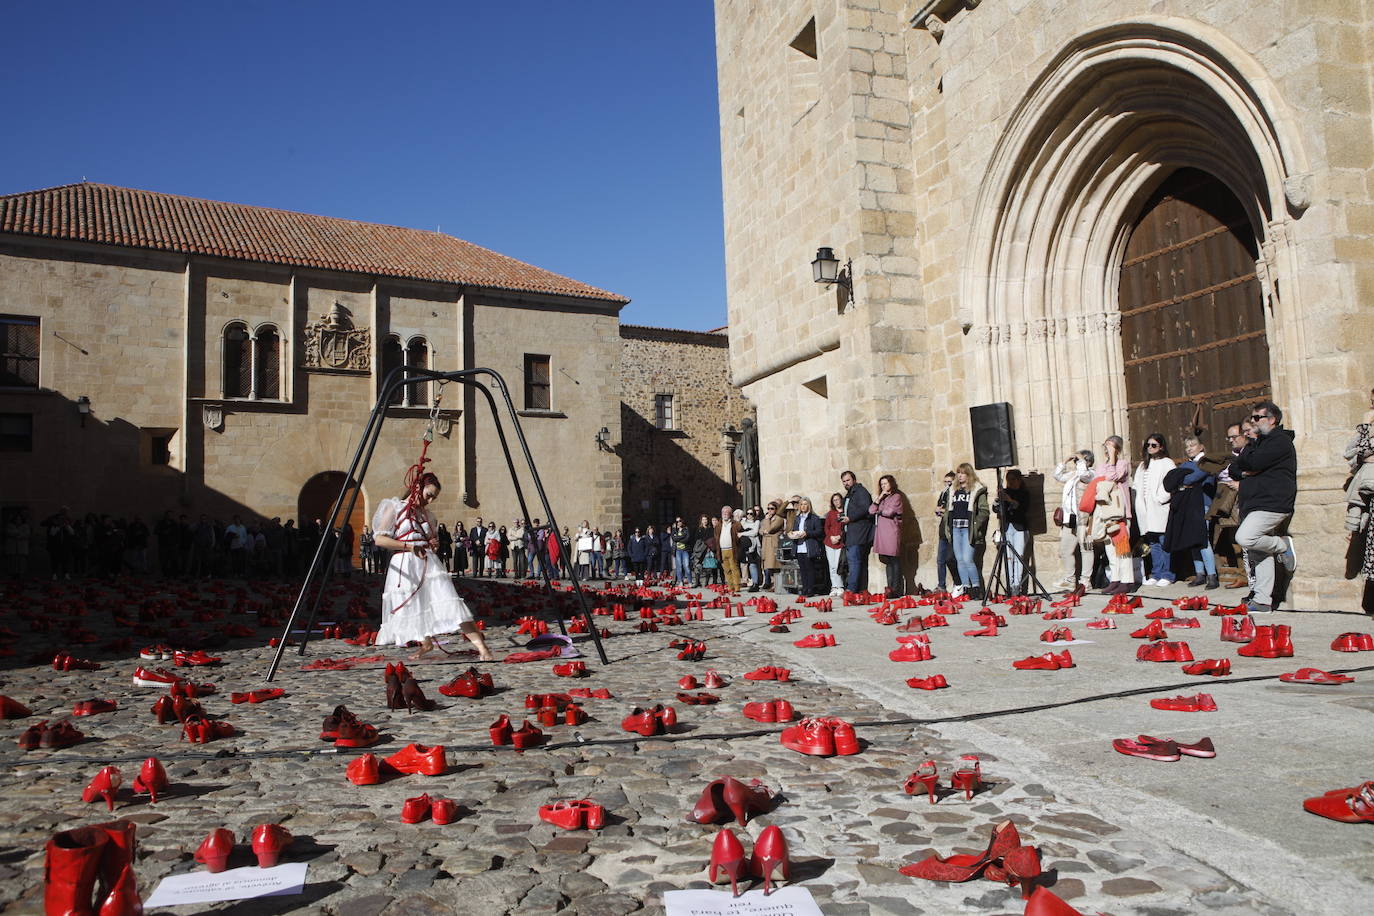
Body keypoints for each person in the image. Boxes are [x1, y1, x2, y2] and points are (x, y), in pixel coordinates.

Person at [372, 472, 494, 662]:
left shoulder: (428, 515)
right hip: (405, 563)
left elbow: (429, 539)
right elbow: (380, 539)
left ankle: (482, 647)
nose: (430, 500)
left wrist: (433, 544)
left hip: (428, 563)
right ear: (417, 488)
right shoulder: (396, 508)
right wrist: (409, 546)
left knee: (450, 601)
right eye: (428, 494)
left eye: (434, 497)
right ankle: (426, 643)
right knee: (412, 606)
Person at [1231, 401, 1298, 613]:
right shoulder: (1256, 444)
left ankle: (1282, 546)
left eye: (1257, 418)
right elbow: (1234, 467)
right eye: (1252, 418)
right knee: (1258, 553)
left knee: (1245, 538)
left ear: (1272, 420)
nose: (1253, 422)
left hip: (1273, 503)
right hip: (1255, 502)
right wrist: (1244, 471)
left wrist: (1248, 466)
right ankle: (1262, 600)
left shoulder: (1280, 441)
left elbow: (1254, 463)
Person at [1168, 436, 1219, 589]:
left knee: (1202, 540)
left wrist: (1182, 478)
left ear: (1201, 446)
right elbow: (1172, 480)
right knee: (1193, 541)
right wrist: (1181, 478)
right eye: (1187, 446)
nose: (1189, 448)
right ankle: (1200, 574)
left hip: (1203, 504)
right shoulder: (1186, 464)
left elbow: (1192, 478)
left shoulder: (1206, 462)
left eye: (1193, 445)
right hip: (1189, 505)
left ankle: (1212, 576)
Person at [1092, 435, 1136, 594]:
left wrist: (1112, 458)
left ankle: (1127, 581)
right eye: (1106, 446)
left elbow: (1112, 478)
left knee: (1122, 547)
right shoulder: (1100, 467)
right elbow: (1098, 484)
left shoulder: (1122, 464)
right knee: (1110, 549)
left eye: (1111, 446)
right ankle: (1115, 579)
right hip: (1105, 513)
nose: (1107, 449)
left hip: (1119, 513)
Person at [940, 464, 989, 600]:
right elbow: (949, 510)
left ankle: (976, 589)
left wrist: (976, 525)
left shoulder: (976, 489)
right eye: (958, 473)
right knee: (960, 560)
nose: (960, 476)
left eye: (963, 473)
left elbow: (984, 511)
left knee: (968, 559)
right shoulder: (953, 490)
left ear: (969, 474)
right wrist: (947, 524)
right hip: (956, 528)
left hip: (968, 529)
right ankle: (966, 588)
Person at [1134, 434, 1177, 586]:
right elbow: (1137, 485)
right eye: (1148, 445)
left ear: (1161, 447)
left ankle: (1168, 574)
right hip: (1146, 509)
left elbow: (1172, 483)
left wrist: (1161, 497)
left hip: (1160, 507)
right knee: (1153, 543)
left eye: (1154, 445)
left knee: (1164, 541)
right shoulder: (1143, 465)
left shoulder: (1167, 463)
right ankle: (1156, 573)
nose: (1150, 448)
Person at [1051, 452, 1094, 590]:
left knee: (1086, 548)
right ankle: (1070, 579)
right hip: (1070, 519)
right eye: (1076, 461)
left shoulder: (1091, 474)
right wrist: (1065, 460)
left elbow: (1084, 475)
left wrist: (1081, 459)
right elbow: (1057, 475)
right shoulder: (1073, 475)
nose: (1077, 463)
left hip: (1084, 518)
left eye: (1079, 460)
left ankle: (1086, 581)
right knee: (1065, 550)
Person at [1344, 388, 1374, 537]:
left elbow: (1362, 451)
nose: (1371, 408)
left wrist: (1365, 425)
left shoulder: (1367, 428)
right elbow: (1350, 453)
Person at [995, 469, 1030, 595]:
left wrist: (1009, 500)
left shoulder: (1024, 493)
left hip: (1019, 527)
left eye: (1013, 479)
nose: (1010, 482)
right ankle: (1009, 584)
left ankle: (1017, 585)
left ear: (1019, 480)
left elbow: (1022, 508)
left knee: (1018, 556)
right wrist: (998, 499)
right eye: (1008, 480)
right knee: (1008, 557)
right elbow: (997, 509)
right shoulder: (1005, 492)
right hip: (1007, 526)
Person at [839, 470, 874, 593]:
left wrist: (851, 518)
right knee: (854, 562)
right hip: (850, 533)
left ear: (854, 479)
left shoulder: (861, 492)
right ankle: (859, 590)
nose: (846, 483)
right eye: (844, 481)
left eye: (848, 480)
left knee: (855, 562)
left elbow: (866, 508)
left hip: (859, 533)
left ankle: (851, 590)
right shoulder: (849, 494)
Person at [870, 474, 905, 597]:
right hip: (882, 532)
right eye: (882, 484)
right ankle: (890, 588)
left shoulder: (897, 497)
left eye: (886, 483)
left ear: (891, 483)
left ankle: (896, 589)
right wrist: (879, 498)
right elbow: (871, 510)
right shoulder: (883, 498)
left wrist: (879, 511)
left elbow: (890, 512)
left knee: (894, 559)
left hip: (891, 531)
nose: (883, 486)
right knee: (888, 560)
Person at [788, 497, 824, 596]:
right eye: (801, 504)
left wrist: (807, 533)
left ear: (809, 505)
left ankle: (810, 589)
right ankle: (805, 588)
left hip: (809, 546)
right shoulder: (797, 518)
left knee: (810, 569)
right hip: (799, 546)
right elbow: (795, 530)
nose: (803, 506)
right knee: (802, 570)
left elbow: (819, 532)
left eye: (805, 504)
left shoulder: (814, 518)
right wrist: (792, 533)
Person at [933, 471, 958, 593]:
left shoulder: (955, 493)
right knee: (940, 559)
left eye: (950, 482)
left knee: (951, 559)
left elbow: (952, 510)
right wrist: (938, 510)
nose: (947, 484)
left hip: (952, 530)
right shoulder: (944, 493)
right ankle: (941, 585)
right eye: (945, 482)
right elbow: (940, 507)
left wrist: (944, 511)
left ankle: (957, 583)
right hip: (943, 530)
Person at [713, 508, 743, 593]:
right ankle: (730, 587)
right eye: (723, 512)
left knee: (734, 568)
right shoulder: (718, 525)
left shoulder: (736, 524)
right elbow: (716, 537)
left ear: (730, 514)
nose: (725, 514)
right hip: (722, 550)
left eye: (727, 512)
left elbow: (740, 533)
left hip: (732, 549)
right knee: (726, 570)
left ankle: (737, 586)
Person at [823, 493, 845, 595]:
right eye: (834, 500)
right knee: (831, 565)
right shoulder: (830, 513)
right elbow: (826, 527)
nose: (837, 502)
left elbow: (845, 528)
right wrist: (831, 537)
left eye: (838, 499)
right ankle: (834, 586)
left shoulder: (845, 512)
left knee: (838, 565)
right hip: (829, 542)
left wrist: (839, 537)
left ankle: (840, 586)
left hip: (840, 542)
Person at [759, 502, 784, 591]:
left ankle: (776, 585)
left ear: (776, 509)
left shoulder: (779, 519)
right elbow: (761, 530)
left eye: (772, 508)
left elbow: (770, 529)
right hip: (766, 544)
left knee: (774, 565)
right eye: (768, 508)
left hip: (773, 544)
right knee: (768, 565)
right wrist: (765, 531)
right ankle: (771, 583)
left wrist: (767, 521)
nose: (769, 510)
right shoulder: (767, 518)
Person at [670, 517, 693, 585]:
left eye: (680, 521)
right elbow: (673, 538)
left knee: (686, 566)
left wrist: (677, 539)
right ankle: (680, 581)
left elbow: (687, 539)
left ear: (682, 521)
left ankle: (690, 581)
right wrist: (674, 530)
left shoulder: (686, 529)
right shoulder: (675, 530)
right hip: (678, 551)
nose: (678, 522)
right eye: (677, 522)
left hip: (685, 550)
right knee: (679, 567)